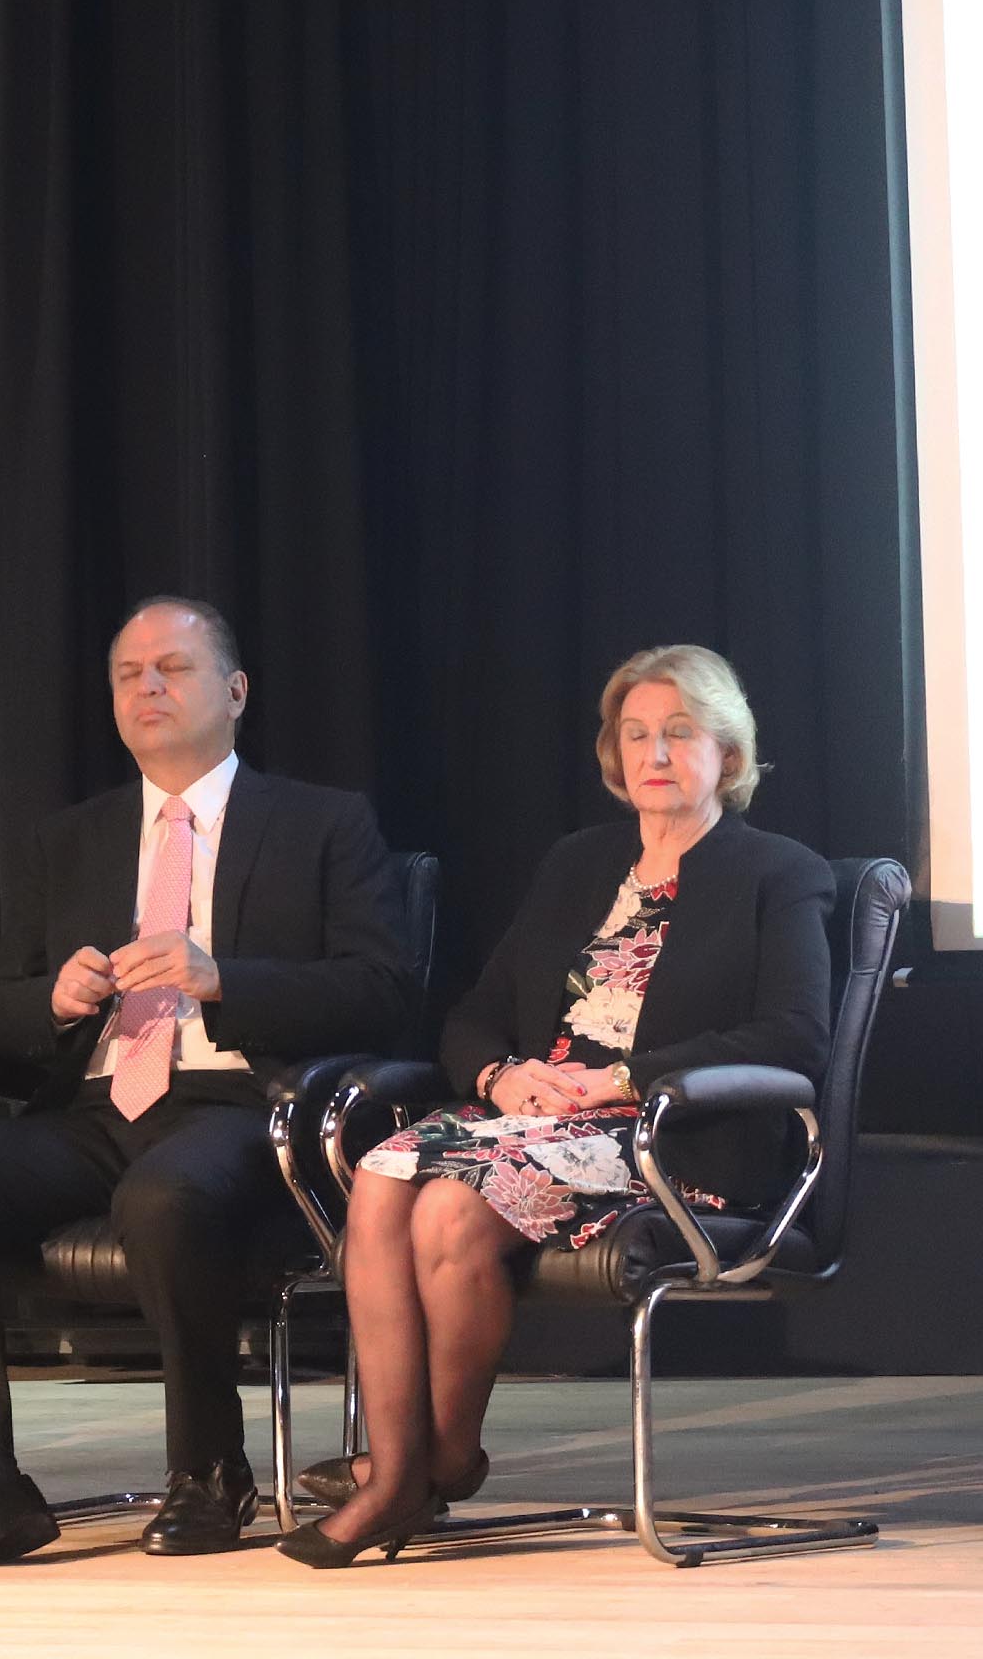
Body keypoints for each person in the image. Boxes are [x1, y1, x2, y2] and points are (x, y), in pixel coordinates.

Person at [0, 597, 414, 1565]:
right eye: (129, 673)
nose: (149, 688)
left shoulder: (321, 822)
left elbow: (381, 991)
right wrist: (54, 995)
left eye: (172, 667)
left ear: (236, 690)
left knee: (165, 1194)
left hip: (240, 1102)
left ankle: (209, 1468)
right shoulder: (70, 839)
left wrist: (224, 976)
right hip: (95, 1102)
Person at [280, 644, 830, 1568]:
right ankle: (405, 1471)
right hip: (533, 1118)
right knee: (378, 1178)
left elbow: (794, 1034)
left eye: (680, 734)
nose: (655, 753)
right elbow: (477, 1011)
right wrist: (498, 1075)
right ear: (615, 756)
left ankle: (426, 1466)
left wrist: (623, 1078)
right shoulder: (579, 865)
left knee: (453, 1206)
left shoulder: (778, 871)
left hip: (666, 1134)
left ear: (727, 758)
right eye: (636, 735)